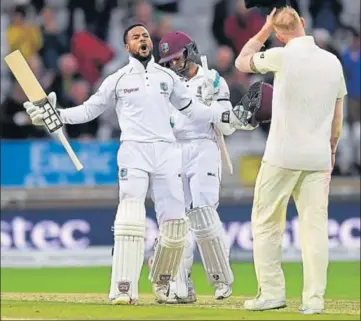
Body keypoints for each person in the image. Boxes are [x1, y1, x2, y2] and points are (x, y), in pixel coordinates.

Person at [23, 24, 244, 305]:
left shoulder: (167, 77)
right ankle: (123, 289)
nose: (143, 39)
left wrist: (227, 116)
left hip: (166, 152)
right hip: (134, 151)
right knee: (130, 217)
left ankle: (164, 283)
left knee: (175, 226)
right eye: (136, 37)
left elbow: (194, 109)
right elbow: (90, 109)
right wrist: (57, 115)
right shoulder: (118, 78)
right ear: (127, 46)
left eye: (146, 36)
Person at [235, 7, 347, 314]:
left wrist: (262, 31)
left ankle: (271, 293)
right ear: (304, 23)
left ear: (279, 34)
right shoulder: (332, 61)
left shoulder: (280, 55)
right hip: (318, 157)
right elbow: (337, 116)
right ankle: (314, 300)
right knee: (315, 229)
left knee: (266, 223)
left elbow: (241, 61)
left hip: (282, 155)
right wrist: (332, 149)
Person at [149, 31, 238, 304]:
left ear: (190, 51)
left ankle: (221, 279)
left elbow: (228, 127)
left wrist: (213, 103)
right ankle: (180, 283)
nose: (173, 65)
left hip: (203, 146)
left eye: (177, 59)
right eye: (168, 62)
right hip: (172, 148)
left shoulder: (213, 80)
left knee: (203, 213)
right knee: (176, 221)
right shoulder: (163, 81)